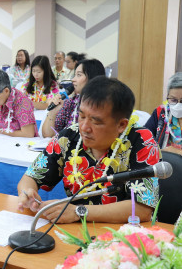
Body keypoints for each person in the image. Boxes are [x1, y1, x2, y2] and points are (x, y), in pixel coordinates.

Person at [18, 76, 160, 224]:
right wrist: (27, 193)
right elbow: (30, 177)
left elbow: (142, 209)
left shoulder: (142, 141)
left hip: (124, 234)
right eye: (81, 116)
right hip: (75, 231)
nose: (84, 127)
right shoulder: (68, 137)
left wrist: (78, 212)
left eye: (95, 121)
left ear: (121, 125)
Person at [42, 59, 105, 138]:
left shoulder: (103, 106)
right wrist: (52, 113)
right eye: (74, 75)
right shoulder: (71, 102)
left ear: (92, 78)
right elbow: (47, 135)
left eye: (79, 75)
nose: (73, 80)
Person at [145, 72, 182, 156]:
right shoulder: (161, 113)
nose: (178, 105)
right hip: (163, 164)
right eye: (173, 100)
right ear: (168, 96)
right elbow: (144, 140)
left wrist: (177, 152)